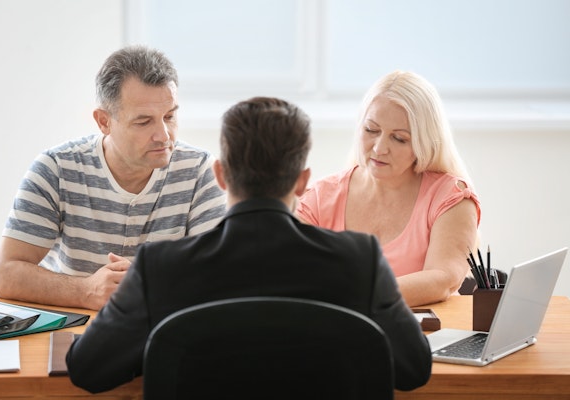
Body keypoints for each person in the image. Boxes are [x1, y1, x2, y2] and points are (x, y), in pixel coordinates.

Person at [65, 96, 432, 394]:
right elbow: (413, 369)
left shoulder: (159, 267)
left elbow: (88, 370)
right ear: (303, 182)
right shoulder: (360, 261)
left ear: (220, 175)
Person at [0, 45, 226, 310]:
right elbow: (6, 275)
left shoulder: (200, 171)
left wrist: (149, 282)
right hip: (76, 335)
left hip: (164, 336)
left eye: (169, 116)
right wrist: (85, 291)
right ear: (104, 121)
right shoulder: (56, 169)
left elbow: (215, 279)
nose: (163, 135)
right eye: (143, 122)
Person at [297, 70, 481, 307]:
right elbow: (293, 273)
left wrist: (353, 294)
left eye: (399, 138)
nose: (379, 148)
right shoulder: (321, 197)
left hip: (424, 337)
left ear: (423, 142)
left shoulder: (451, 197)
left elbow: (442, 280)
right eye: (371, 130)